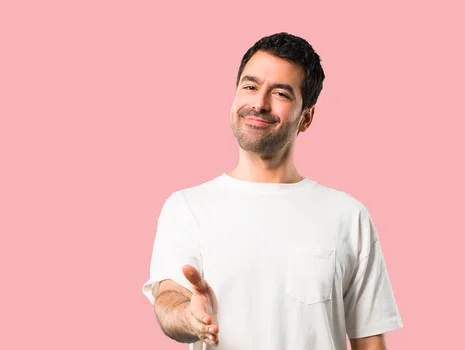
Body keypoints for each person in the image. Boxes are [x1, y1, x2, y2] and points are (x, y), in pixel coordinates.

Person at [142, 32, 403, 350]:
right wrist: (190, 317)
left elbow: (370, 341)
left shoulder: (348, 216)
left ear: (306, 118)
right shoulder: (186, 207)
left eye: (280, 93)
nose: (259, 103)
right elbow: (169, 299)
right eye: (250, 86)